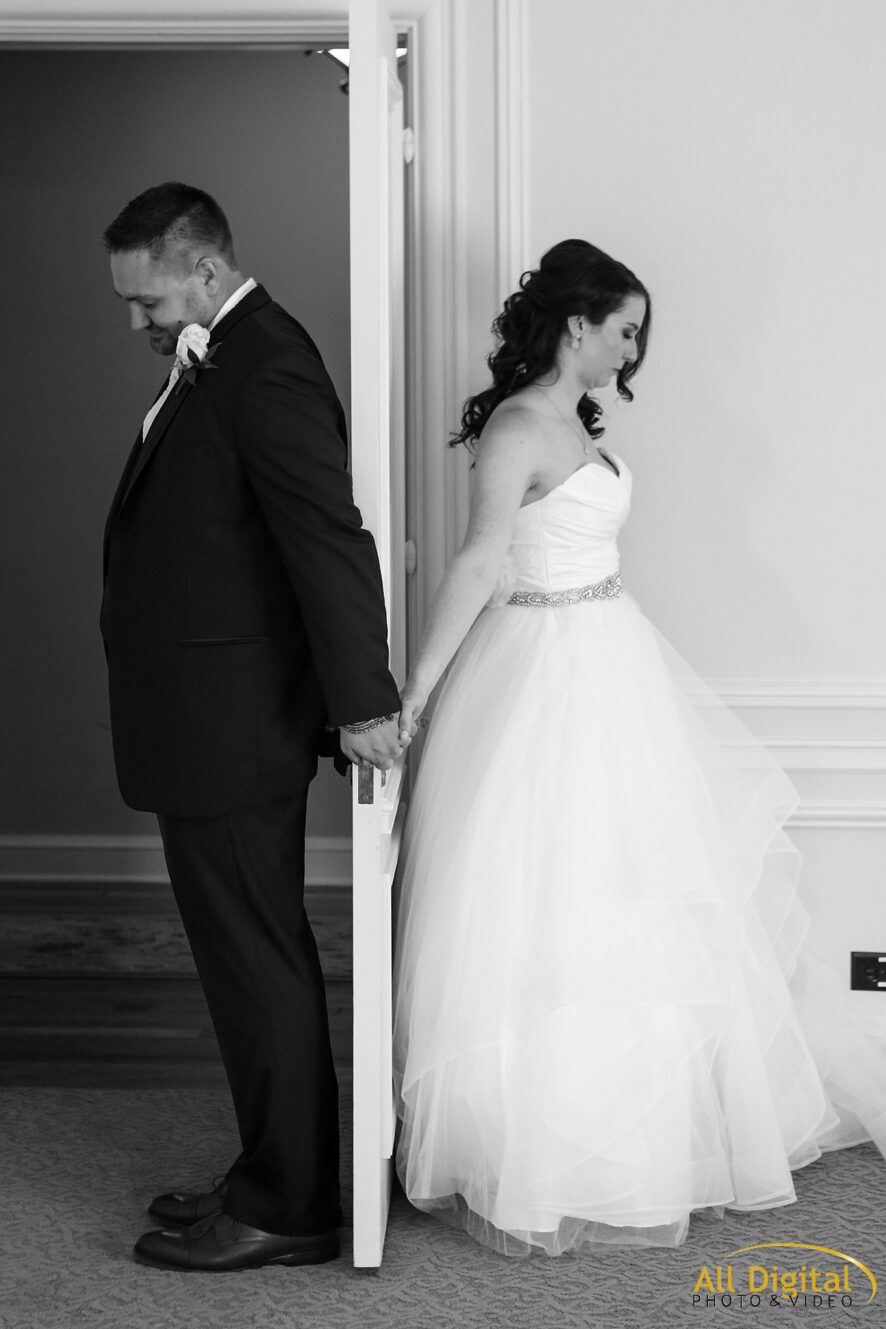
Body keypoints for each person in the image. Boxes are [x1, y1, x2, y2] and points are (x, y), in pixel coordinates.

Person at [393, 238, 885, 1256]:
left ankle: (641, 1138)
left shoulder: (570, 420)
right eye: (624, 329)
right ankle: (538, 1149)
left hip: (609, 658)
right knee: (549, 902)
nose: (633, 348)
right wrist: (416, 695)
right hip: (539, 671)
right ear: (577, 326)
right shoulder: (522, 427)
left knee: (627, 901)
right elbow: (480, 562)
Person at [101, 182, 406, 1271]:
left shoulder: (265, 358)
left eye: (145, 301)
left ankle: (286, 1208)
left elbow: (327, 536)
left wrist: (363, 701)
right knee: (241, 962)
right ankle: (262, 1172)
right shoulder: (221, 355)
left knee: (259, 961)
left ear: (204, 272)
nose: (136, 322)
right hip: (208, 721)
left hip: (234, 726)